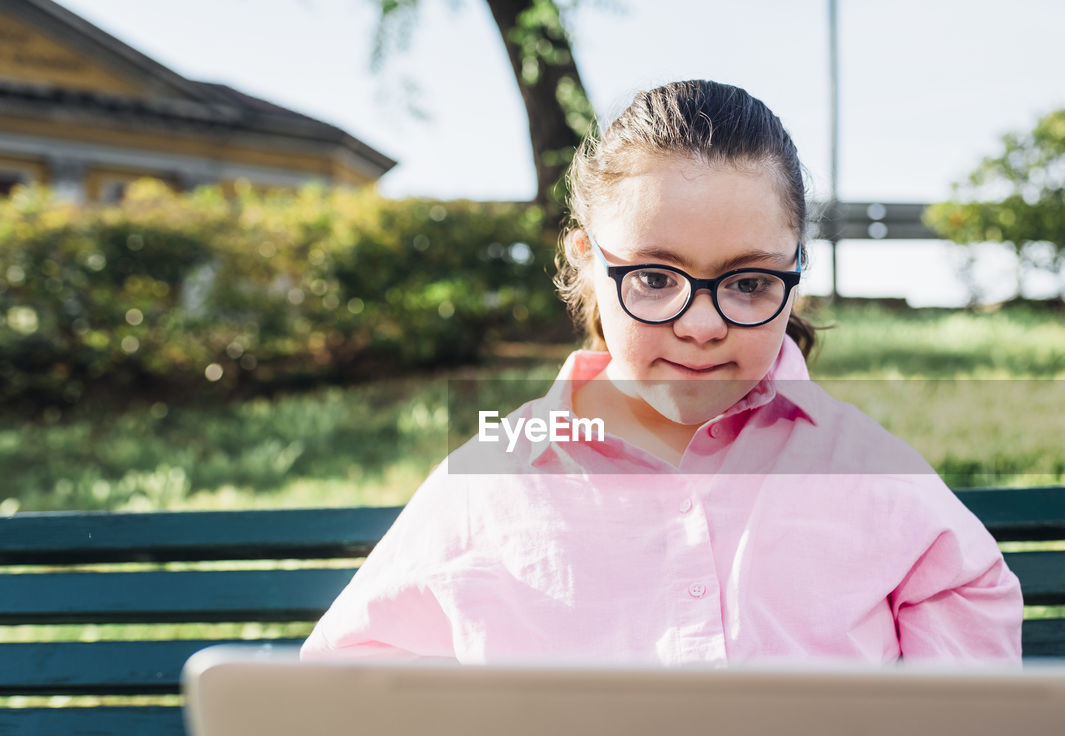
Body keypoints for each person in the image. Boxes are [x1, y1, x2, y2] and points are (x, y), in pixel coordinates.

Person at [300, 80, 1022, 665]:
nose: (701, 325)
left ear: (793, 276)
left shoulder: (875, 476)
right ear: (588, 260)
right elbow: (345, 698)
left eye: (747, 283)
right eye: (653, 278)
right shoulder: (489, 481)